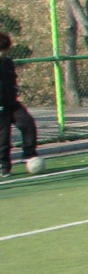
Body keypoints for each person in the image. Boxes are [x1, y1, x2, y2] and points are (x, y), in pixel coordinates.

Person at [0, 31, 42, 177]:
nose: (3, 54)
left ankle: (29, 155)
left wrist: (14, 91)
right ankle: (4, 166)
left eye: (4, 50)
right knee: (3, 137)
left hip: (12, 104)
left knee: (28, 123)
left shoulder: (7, 62)